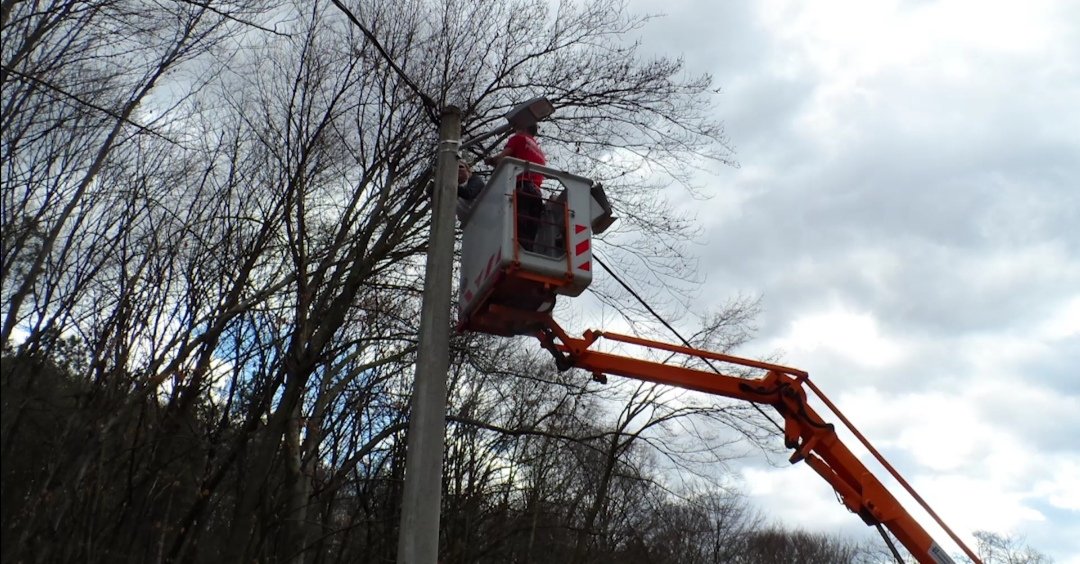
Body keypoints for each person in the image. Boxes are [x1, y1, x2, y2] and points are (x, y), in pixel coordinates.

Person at [484, 124, 546, 251]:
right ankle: (527, 254)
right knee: (530, 230)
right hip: (536, 193)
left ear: (523, 128)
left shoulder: (518, 138)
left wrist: (490, 160)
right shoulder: (540, 152)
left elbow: (502, 158)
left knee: (518, 227)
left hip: (522, 187)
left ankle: (517, 253)